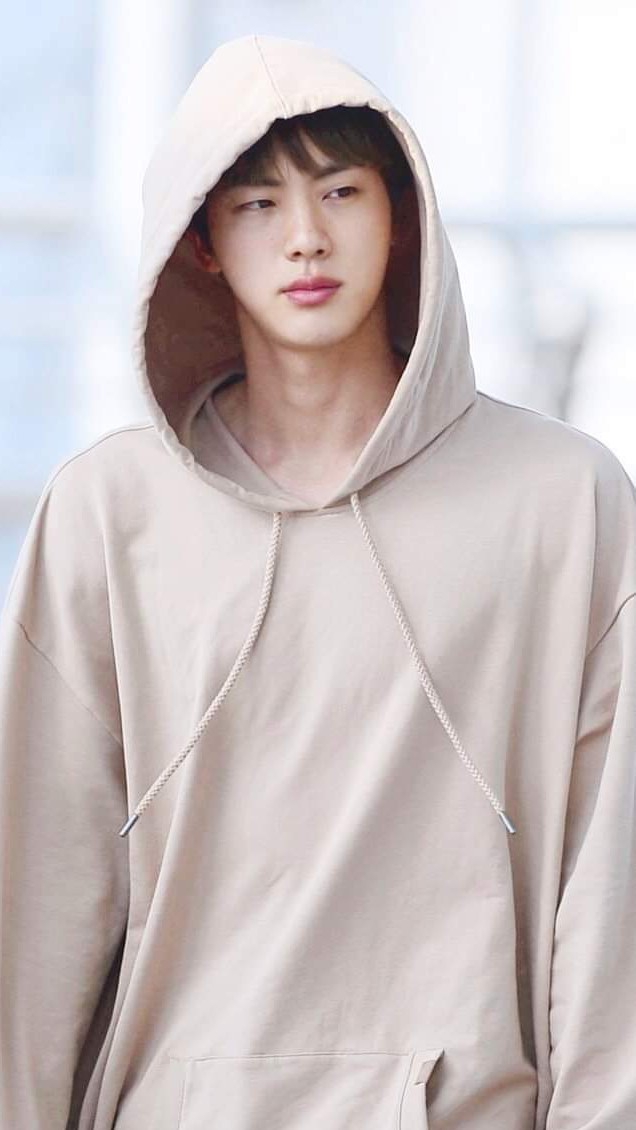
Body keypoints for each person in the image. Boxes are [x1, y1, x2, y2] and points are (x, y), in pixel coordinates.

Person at [0, 32, 635, 1130]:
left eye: (340, 191)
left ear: (402, 215)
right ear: (201, 243)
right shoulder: (108, 512)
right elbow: (40, 901)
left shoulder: (562, 499)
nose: (305, 236)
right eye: (256, 204)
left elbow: (613, 882)